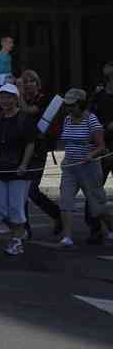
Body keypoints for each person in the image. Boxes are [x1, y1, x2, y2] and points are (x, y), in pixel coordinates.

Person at [57, 88, 113, 248]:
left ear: (81, 104)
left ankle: (111, 227)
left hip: (89, 168)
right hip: (70, 167)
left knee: (97, 207)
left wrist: (91, 155)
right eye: (67, 105)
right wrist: (66, 158)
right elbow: (67, 141)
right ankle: (67, 237)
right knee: (65, 201)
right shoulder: (67, 119)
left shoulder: (91, 120)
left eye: (72, 105)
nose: (69, 108)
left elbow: (101, 146)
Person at [0, 83, 36, 257]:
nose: (5, 100)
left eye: (9, 97)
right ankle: (19, 231)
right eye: (2, 97)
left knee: (16, 208)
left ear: (16, 99)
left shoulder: (24, 118)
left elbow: (31, 143)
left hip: (18, 171)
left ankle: (16, 241)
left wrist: (24, 164)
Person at [19, 69, 62, 238]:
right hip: (20, 149)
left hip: (38, 149)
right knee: (20, 189)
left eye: (32, 81)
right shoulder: (17, 99)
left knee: (31, 190)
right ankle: (24, 228)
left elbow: (29, 110)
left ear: (38, 84)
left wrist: (19, 93)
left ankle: (57, 214)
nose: (28, 84)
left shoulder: (43, 99)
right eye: (25, 81)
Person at [86, 61, 113, 243]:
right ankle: (94, 228)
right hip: (101, 146)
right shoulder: (100, 94)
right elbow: (89, 112)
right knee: (94, 188)